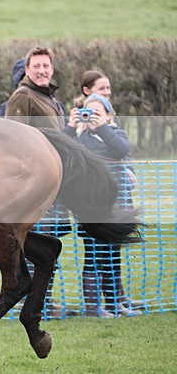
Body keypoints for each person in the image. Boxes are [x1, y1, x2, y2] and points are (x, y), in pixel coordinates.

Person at [4, 47, 73, 318]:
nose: (42, 70)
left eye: (46, 65)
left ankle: (43, 299)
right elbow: (12, 139)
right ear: (27, 70)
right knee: (36, 242)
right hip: (34, 184)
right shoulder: (23, 96)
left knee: (49, 244)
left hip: (52, 182)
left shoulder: (50, 98)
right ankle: (33, 301)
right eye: (37, 66)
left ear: (52, 69)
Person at [65, 90, 139, 318]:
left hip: (117, 208)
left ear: (109, 115)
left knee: (113, 257)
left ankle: (115, 303)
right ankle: (93, 306)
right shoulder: (79, 140)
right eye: (88, 112)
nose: (92, 117)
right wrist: (70, 126)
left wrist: (102, 128)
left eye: (98, 112)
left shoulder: (116, 133)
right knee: (94, 256)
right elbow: (63, 150)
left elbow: (121, 150)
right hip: (91, 208)